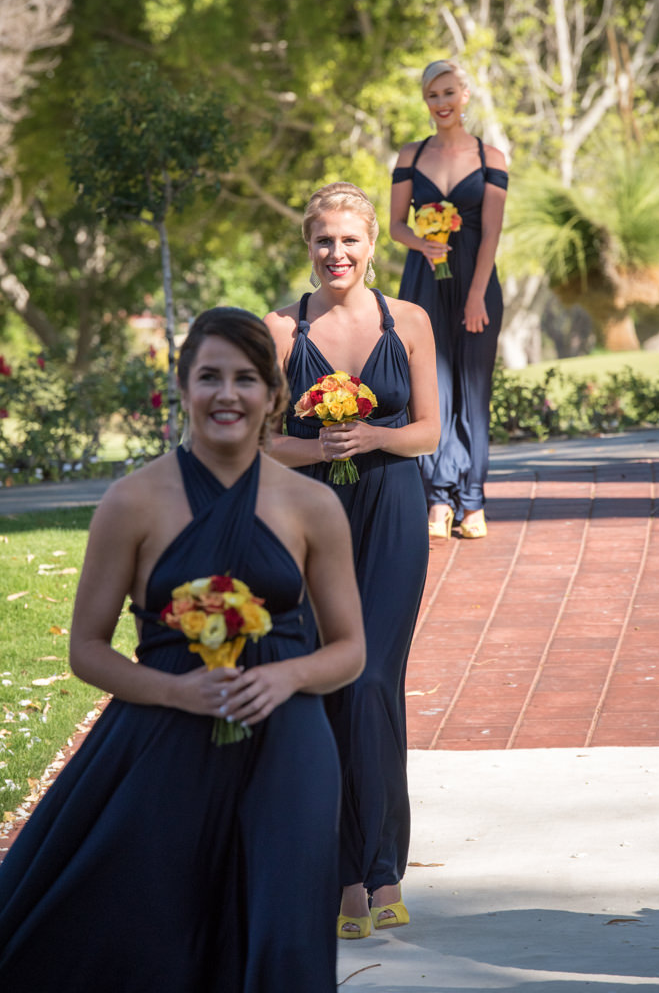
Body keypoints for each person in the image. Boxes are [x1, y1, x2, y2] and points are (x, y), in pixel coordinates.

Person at [0, 308, 365, 992]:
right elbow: (86, 649)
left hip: (288, 740)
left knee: (285, 936)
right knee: (155, 933)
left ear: (272, 396)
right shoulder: (131, 502)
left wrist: (287, 677)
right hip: (164, 736)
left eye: (246, 379)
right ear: (183, 388)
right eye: (209, 378)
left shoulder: (311, 507)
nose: (227, 394)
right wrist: (175, 690)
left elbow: (349, 650)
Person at [265, 182, 439, 939]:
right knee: (332, 680)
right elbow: (262, 440)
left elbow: (429, 431)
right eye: (323, 241)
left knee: (374, 680)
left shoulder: (411, 321)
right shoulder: (279, 331)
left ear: (373, 244)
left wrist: (371, 438)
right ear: (308, 246)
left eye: (349, 241)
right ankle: (344, 872)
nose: (336, 254)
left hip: (393, 506)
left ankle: (382, 866)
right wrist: (318, 446)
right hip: (311, 516)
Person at [390, 59, 508, 539]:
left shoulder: (491, 157)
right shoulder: (410, 156)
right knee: (430, 387)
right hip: (423, 283)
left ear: (465, 96)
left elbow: (492, 235)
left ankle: (473, 498)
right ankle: (438, 499)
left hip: (475, 283)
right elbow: (396, 224)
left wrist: (477, 295)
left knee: (473, 392)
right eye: (432, 95)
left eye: (448, 93)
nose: (441, 103)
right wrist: (422, 241)